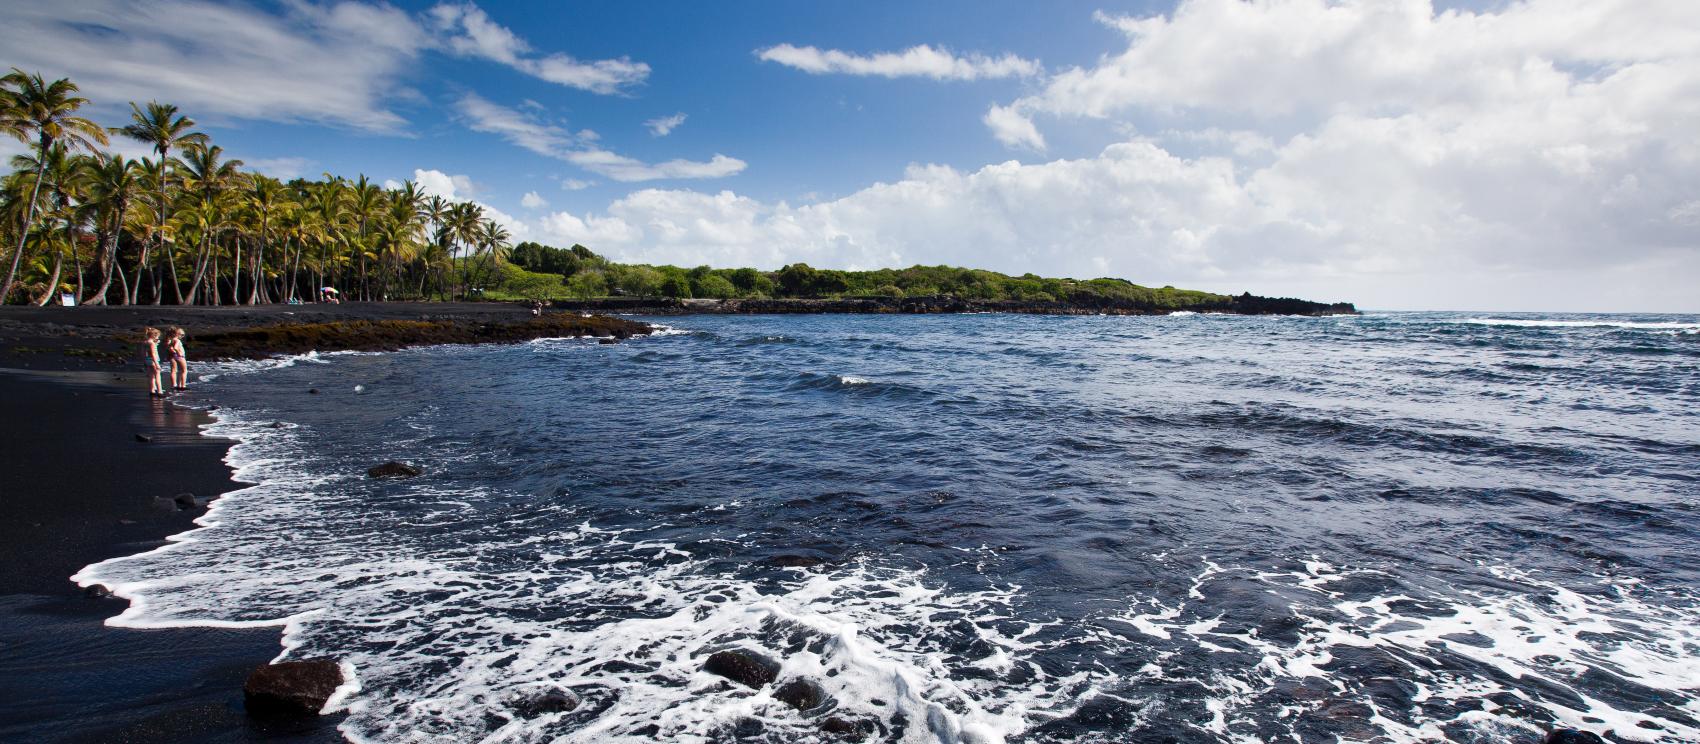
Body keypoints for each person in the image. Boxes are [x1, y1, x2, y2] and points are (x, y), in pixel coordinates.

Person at [141, 327, 164, 397]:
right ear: (154, 336)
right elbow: (153, 354)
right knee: (157, 376)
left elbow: (143, 353)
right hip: (153, 361)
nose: (158, 338)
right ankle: (160, 392)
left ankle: (152, 391)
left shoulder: (145, 342)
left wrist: (144, 361)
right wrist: (157, 364)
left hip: (147, 360)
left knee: (151, 376)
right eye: (157, 337)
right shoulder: (152, 344)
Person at [167, 327, 189, 391]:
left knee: (174, 371)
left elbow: (170, 348)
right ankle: (183, 385)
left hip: (173, 356)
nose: (182, 337)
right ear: (177, 334)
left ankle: (174, 385)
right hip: (179, 356)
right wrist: (179, 353)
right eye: (182, 335)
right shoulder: (177, 340)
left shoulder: (171, 340)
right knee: (184, 371)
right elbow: (175, 347)